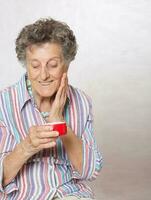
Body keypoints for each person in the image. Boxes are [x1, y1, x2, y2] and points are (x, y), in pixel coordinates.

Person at [0, 18, 103, 200]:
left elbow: (89, 171)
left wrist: (59, 123)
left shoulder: (82, 102)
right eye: (35, 65)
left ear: (67, 63)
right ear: (26, 64)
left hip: (71, 195)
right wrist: (27, 147)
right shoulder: (4, 103)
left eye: (53, 65)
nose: (44, 75)